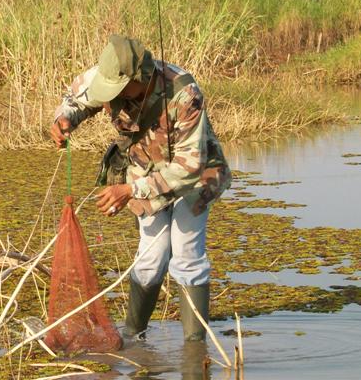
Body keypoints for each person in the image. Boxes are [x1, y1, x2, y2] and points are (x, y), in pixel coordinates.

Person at [50, 34, 231, 342]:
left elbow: (188, 168)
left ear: (142, 79)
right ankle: (134, 338)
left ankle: (194, 348)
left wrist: (130, 191)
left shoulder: (184, 93)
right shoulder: (106, 74)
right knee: (151, 258)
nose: (113, 93)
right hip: (145, 168)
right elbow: (75, 99)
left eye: (120, 89)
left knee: (186, 254)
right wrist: (63, 120)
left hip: (197, 175)